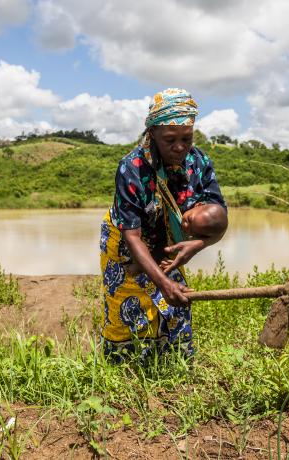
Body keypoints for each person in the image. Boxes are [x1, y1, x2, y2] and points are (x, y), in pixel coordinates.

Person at [99, 88, 227, 361]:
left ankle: (174, 365)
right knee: (129, 305)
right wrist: (162, 283)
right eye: (170, 139)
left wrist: (197, 245)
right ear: (152, 133)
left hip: (167, 242)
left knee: (177, 303)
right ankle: (126, 372)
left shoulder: (200, 162)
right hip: (126, 242)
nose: (179, 146)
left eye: (186, 138)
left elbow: (220, 219)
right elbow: (132, 237)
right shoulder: (132, 168)